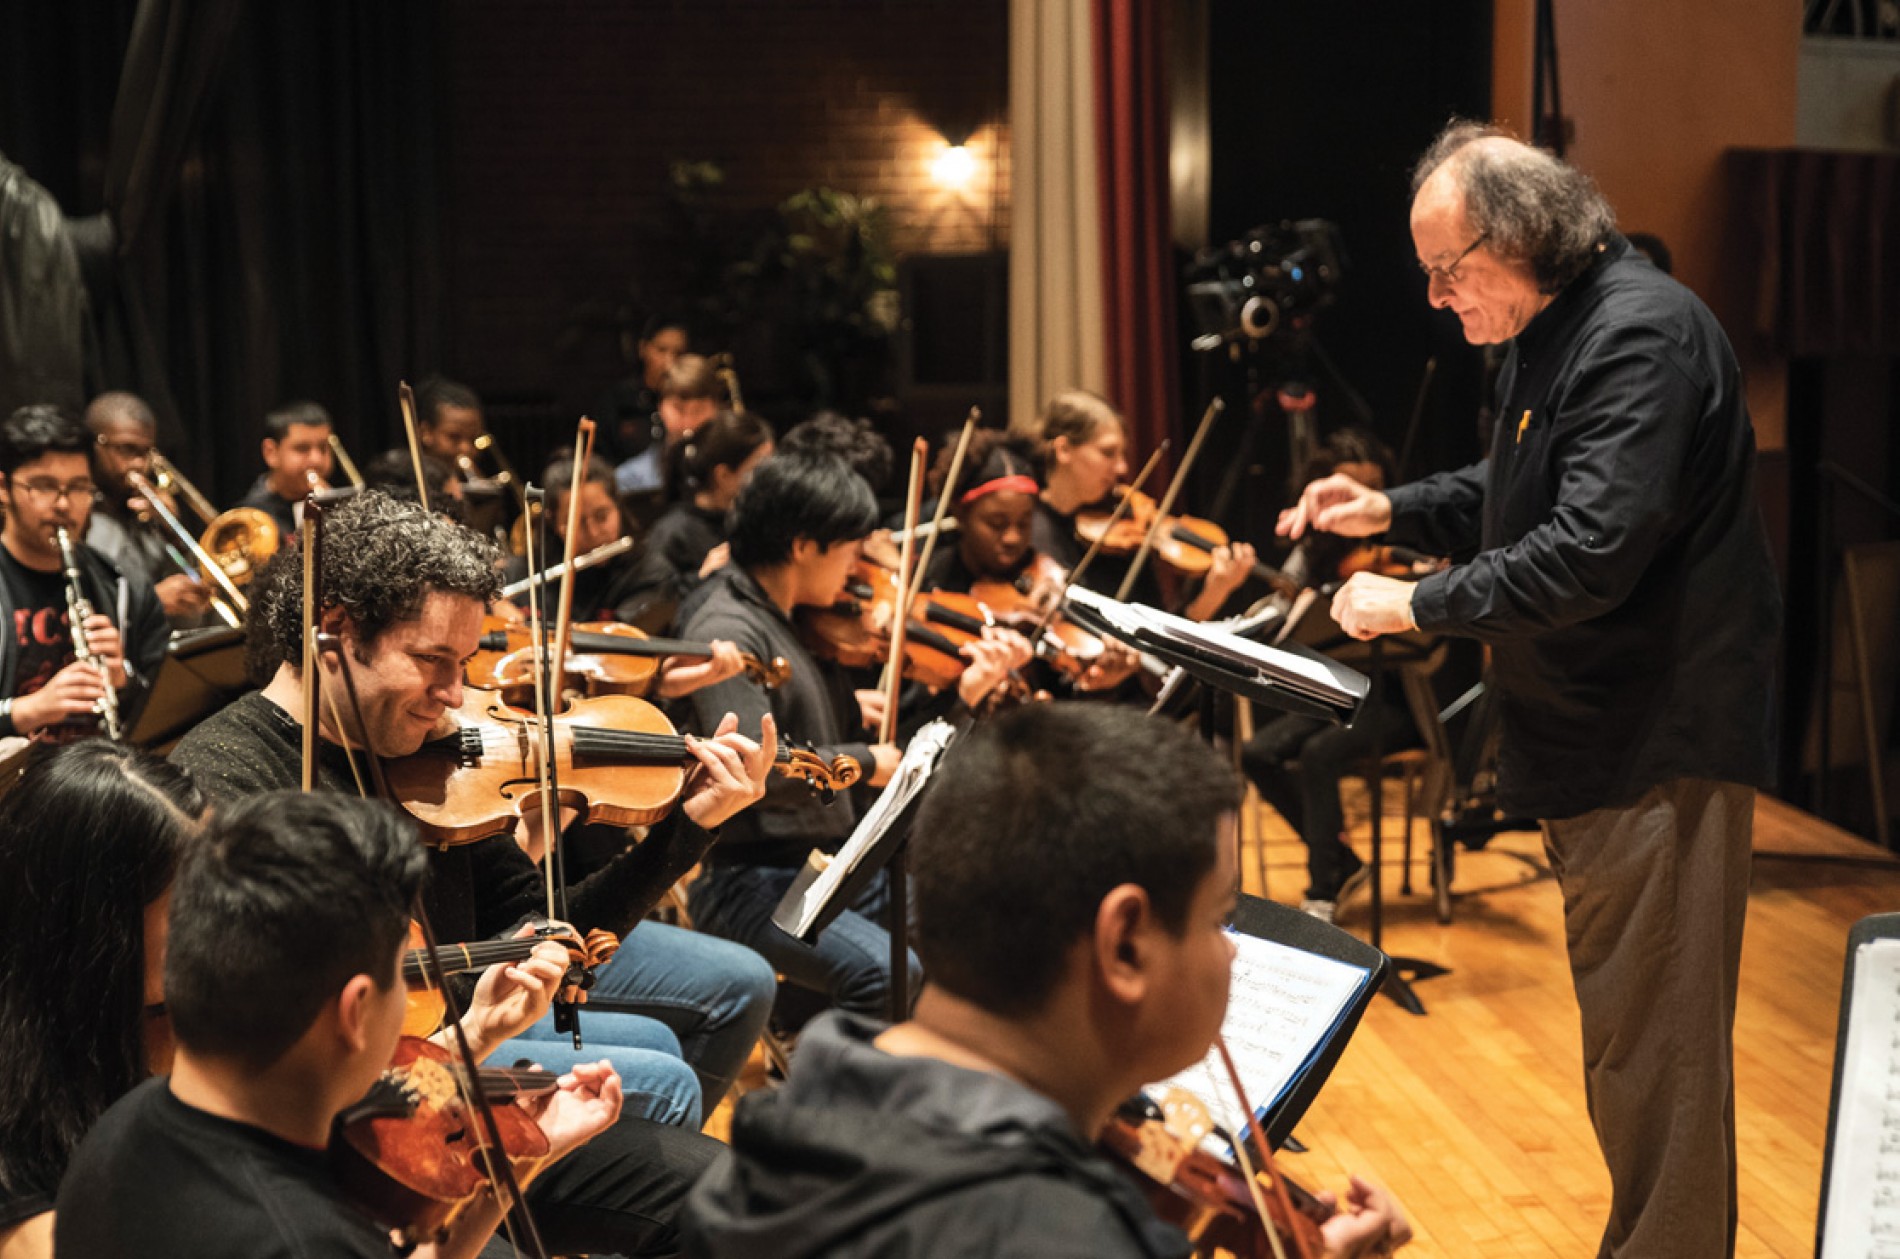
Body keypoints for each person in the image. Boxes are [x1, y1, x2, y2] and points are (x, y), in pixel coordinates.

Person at [1284, 121, 1780, 1259]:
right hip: (1595, 740)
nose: (1433, 297)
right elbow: (1512, 483)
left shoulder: (1637, 336)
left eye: (1448, 270)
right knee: (1631, 1049)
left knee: (1656, 1054)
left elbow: (1586, 550)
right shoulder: (1553, 331)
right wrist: (1391, 508)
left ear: (1519, 239)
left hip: (1654, 739)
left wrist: (1410, 602)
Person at [169, 491, 773, 1252]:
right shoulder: (229, 781)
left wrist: (686, 826)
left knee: (724, 1193)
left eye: (465, 663)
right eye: (433, 661)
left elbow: (541, 932)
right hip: (337, 1149)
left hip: (456, 1089)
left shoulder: (433, 761)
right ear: (338, 628)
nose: (456, 697)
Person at [685, 702, 1410, 1259]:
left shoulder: (775, 1136)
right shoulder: (1070, 1236)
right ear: (1123, 943)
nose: (1231, 954)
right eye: (1219, 916)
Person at [0, 741, 583, 1259]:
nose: (233, 917)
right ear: (99, 932)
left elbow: (334, 1083)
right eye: (196, 900)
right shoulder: (51, 1126)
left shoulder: (139, 1099)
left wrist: (477, 1032)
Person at [678, 453, 939, 1018]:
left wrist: (842, 706)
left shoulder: (787, 616)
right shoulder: (728, 628)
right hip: (751, 880)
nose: (856, 568)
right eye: (849, 549)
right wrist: (866, 761)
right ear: (803, 546)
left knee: (966, 924)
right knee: (884, 973)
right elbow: (752, 769)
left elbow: (792, 718)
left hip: (824, 868)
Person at [1243, 429, 1422, 923]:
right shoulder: (1314, 553)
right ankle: (1342, 860)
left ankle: (1323, 884)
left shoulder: (1405, 543)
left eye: (1374, 492)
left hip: (1401, 701)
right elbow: (1283, 620)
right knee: (1258, 753)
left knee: (1320, 754)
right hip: (1340, 696)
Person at [0, 406, 168, 752]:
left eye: (78, 488)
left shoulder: (123, 584)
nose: (64, 505)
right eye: (43, 487)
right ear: (4, 488)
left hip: (100, 790)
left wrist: (125, 680)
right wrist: (23, 711)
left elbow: (170, 704)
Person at [1022, 389, 1255, 622]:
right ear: (1064, 450)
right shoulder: (1028, 531)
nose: (1122, 468)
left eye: (1123, 454)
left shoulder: (1125, 538)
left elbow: (1158, 637)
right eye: (1108, 452)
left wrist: (1215, 592)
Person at [616, 408, 775, 628]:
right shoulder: (673, 532)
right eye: (758, 469)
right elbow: (649, 616)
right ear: (723, 475)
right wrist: (702, 578)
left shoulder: (751, 519)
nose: (769, 480)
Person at [82, 391, 213, 627]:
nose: (139, 464)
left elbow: (193, 589)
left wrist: (173, 534)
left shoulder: (147, 515)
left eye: (146, 453)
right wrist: (153, 601)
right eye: (126, 449)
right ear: (95, 445)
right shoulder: (78, 515)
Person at [615, 353, 727, 503]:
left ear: (716, 409)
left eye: (698, 410)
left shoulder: (732, 473)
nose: (688, 421)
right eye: (679, 409)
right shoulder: (629, 479)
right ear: (661, 406)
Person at [596, 312, 691, 465]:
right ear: (643, 349)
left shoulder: (689, 401)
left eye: (678, 353)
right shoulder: (619, 400)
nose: (670, 362)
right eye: (661, 350)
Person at [237, 399, 336, 540]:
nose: (317, 459)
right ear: (271, 452)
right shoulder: (250, 516)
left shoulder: (337, 504)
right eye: (302, 448)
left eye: (323, 447)